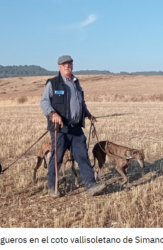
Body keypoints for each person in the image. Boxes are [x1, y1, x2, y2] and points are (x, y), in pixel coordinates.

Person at [40, 55, 106, 197]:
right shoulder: (53, 83)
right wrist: (52, 114)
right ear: (59, 67)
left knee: (82, 156)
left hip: (76, 128)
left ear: (72, 65)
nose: (67, 66)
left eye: (69, 64)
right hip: (60, 129)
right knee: (56, 158)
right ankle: (53, 187)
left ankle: (91, 186)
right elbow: (44, 102)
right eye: (64, 64)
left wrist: (88, 114)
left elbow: (81, 103)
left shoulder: (76, 83)